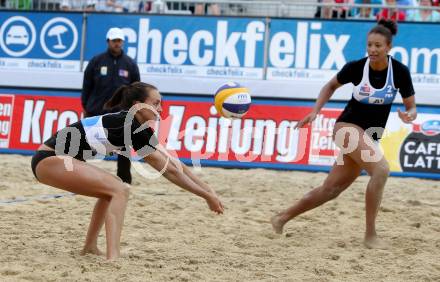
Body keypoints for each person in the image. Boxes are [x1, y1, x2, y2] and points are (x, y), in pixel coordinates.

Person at [31, 82, 224, 260]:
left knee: (111, 190)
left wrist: (208, 190)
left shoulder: (137, 125)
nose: (160, 109)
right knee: (119, 189)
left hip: (59, 160)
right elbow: (169, 171)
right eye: (156, 103)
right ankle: (113, 257)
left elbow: (173, 163)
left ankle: (90, 247)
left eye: (161, 103)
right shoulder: (128, 124)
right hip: (49, 160)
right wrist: (206, 196)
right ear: (138, 104)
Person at [271, 19, 416, 249]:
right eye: (369, 45)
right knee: (381, 169)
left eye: (378, 46)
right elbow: (330, 86)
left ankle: (281, 218)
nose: (372, 49)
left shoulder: (399, 72)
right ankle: (370, 236)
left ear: (389, 47)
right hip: (346, 128)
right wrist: (315, 111)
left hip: (368, 136)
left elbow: (411, 106)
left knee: (331, 190)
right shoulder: (357, 67)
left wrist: (409, 114)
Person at [82, 27, 140, 184]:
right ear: (108, 41)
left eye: (119, 41)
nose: (117, 43)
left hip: (120, 114)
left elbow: (136, 89)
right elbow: (87, 85)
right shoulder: (96, 61)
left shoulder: (130, 64)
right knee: (86, 144)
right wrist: (86, 107)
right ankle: (81, 175)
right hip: (97, 111)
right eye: (114, 40)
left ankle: (124, 179)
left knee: (124, 146)